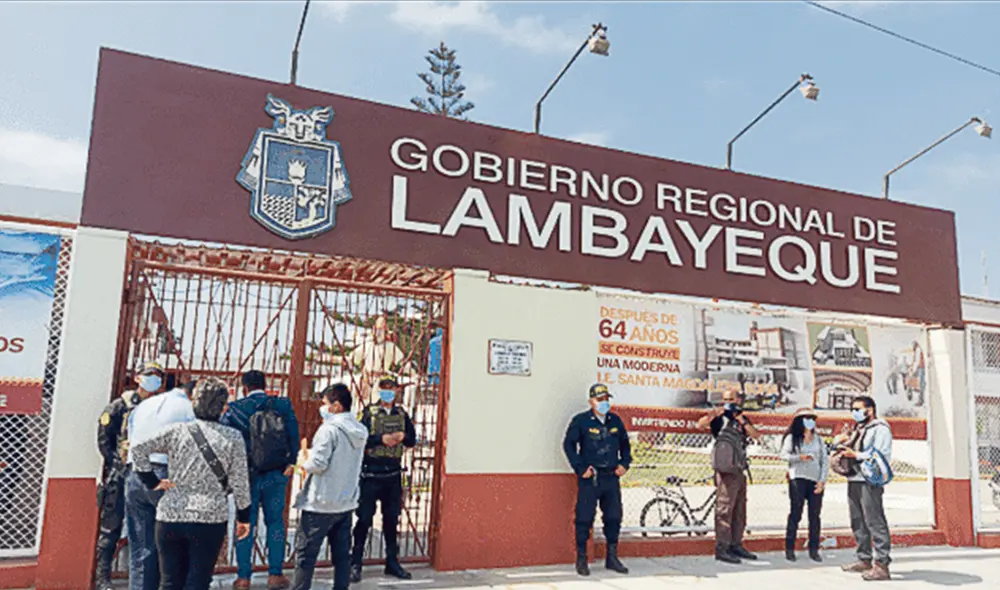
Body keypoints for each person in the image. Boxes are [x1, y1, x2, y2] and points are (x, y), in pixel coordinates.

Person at [131, 377, 253, 590]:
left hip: (171, 513)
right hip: (210, 515)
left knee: (169, 581)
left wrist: (151, 481)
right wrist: (244, 517)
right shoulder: (233, 437)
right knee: (198, 580)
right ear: (223, 408)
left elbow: (138, 448)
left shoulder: (177, 431)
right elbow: (240, 481)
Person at [221, 370, 300, 590]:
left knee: (245, 524)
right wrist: (290, 463)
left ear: (244, 387)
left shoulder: (236, 408)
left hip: (246, 475)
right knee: (275, 522)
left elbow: (225, 441)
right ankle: (275, 574)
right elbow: (294, 434)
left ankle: (243, 577)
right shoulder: (282, 405)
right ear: (265, 385)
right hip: (276, 473)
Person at [124, 362, 196, 590]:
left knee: (142, 549)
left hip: (136, 475)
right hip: (167, 476)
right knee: (177, 547)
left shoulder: (143, 406)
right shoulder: (189, 410)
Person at [291, 383, 368, 590]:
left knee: (305, 557)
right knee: (342, 557)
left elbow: (318, 464)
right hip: (345, 502)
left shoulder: (328, 430)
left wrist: (301, 462)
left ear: (336, 406)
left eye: (324, 403)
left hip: (320, 503)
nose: (322, 408)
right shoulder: (360, 430)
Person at [350, 375, 417, 582]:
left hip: (393, 474)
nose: (388, 392)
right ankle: (355, 563)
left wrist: (403, 437)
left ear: (397, 391)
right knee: (364, 520)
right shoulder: (369, 413)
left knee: (391, 520)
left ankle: (392, 562)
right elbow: (359, 438)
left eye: (392, 388)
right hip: (371, 473)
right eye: (384, 388)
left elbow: (412, 440)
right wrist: (381, 439)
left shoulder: (402, 414)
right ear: (379, 391)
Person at [94, 365, 154, 590]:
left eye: (157, 377)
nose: (153, 381)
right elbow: (104, 440)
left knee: (145, 528)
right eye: (149, 376)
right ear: (138, 378)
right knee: (110, 529)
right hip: (120, 475)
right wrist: (117, 462)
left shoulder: (154, 408)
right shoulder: (119, 406)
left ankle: (142, 579)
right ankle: (103, 578)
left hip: (143, 473)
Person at [562, 383, 631, 577]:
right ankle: (582, 559)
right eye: (599, 399)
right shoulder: (581, 421)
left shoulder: (615, 421)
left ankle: (612, 557)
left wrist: (624, 464)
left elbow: (625, 446)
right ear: (591, 401)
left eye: (606, 399)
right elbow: (568, 445)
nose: (604, 403)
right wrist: (580, 468)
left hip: (611, 478)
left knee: (614, 517)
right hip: (591, 478)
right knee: (584, 518)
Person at [696, 388, 762, 564]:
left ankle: (736, 544)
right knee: (724, 509)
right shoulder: (719, 418)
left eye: (732, 399)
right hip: (725, 469)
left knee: (740, 509)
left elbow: (756, 435)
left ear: (738, 400)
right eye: (726, 400)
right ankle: (722, 548)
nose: (729, 403)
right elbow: (700, 425)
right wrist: (712, 416)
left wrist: (741, 420)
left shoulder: (741, 418)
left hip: (739, 468)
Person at [833, 396, 894, 581]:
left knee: (874, 520)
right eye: (853, 409)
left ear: (870, 410)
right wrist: (840, 443)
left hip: (870, 479)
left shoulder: (881, 429)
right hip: (855, 477)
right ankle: (864, 558)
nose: (855, 412)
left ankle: (882, 564)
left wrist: (856, 454)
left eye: (858, 409)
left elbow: (881, 453)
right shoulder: (858, 429)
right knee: (857, 520)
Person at [780, 408, 828, 562]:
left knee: (814, 516)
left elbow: (824, 461)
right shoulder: (792, 438)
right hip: (798, 478)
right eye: (807, 418)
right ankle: (789, 548)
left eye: (812, 418)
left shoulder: (819, 440)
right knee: (796, 513)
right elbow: (784, 455)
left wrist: (822, 481)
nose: (810, 421)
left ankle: (814, 549)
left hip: (815, 480)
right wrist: (800, 457)